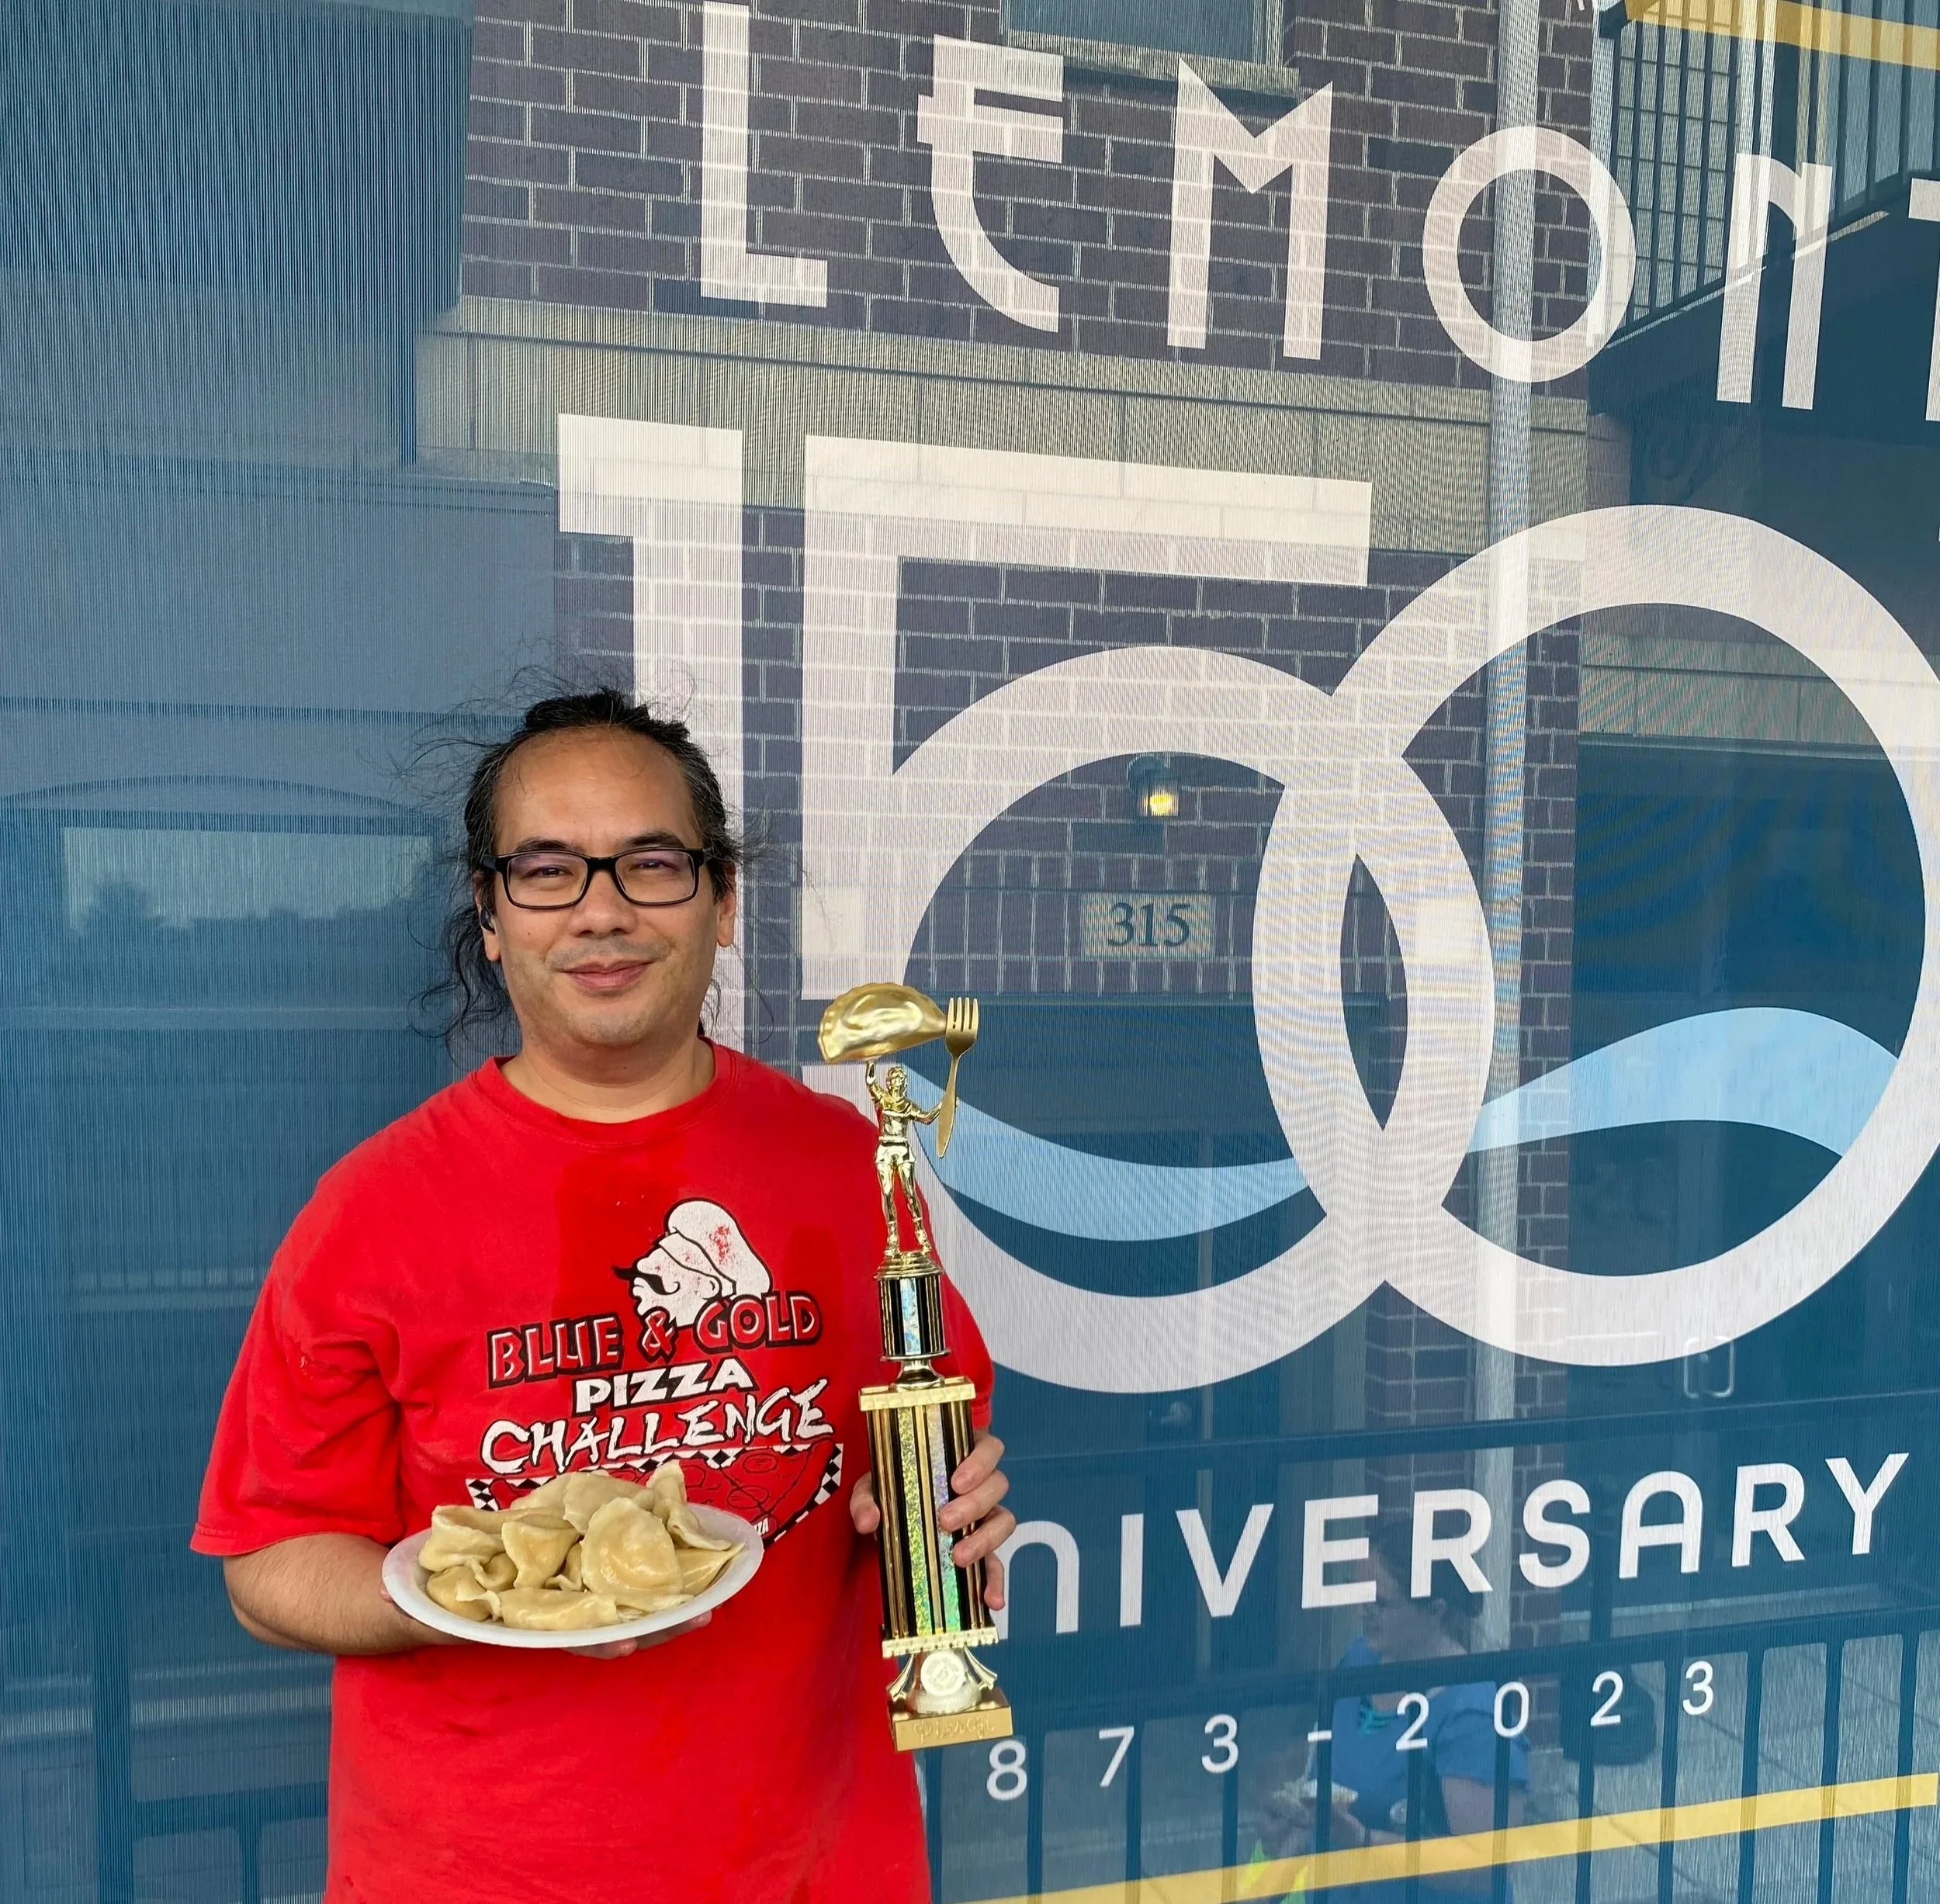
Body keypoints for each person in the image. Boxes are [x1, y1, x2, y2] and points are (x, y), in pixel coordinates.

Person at [192, 688, 1017, 1904]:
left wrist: (939, 1514)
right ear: (490, 917)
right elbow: (268, 1565)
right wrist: (492, 1598)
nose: (601, 909)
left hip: (812, 1862)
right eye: (547, 870)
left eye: (651, 862)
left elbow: (918, 1459)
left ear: (722, 900)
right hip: (473, 1875)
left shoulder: (850, 1169)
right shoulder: (374, 1210)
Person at [1259, 1521, 1529, 1901]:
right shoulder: (1360, 1660)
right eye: (1361, 1595)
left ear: (1435, 1611)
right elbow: (1318, 1791)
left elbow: (1484, 1867)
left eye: (1381, 1604)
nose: (1363, 1612)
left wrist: (1364, 1840)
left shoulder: (1473, 1715)